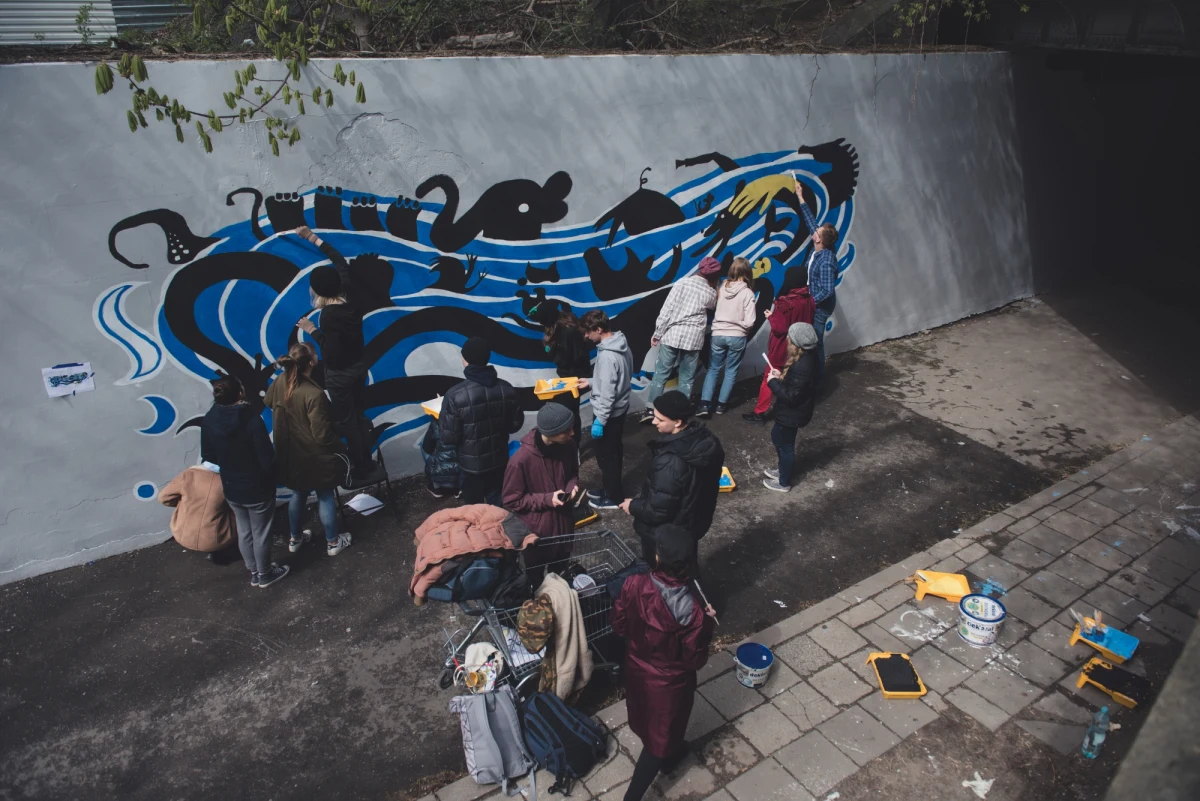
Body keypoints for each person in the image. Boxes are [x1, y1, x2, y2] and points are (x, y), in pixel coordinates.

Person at [612, 524, 716, 801]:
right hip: (670, 684)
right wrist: (706, 625)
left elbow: (619, 626)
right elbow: (695, 659)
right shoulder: (693, 610)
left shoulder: (633, 584)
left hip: (636, 669)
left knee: (650, 723)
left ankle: (672, 754)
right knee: (659, 739)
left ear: (658, 558)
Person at [292, 225, 386, 485]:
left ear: (319, 291)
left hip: (341, 376)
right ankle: (365, 461)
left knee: (348, 422)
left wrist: (312, 331)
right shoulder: (349, 297)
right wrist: (312, 238)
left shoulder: (329, 316)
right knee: (358, 415)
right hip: (357, 368)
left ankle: (362, 467)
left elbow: (331, 351)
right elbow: (340, 262)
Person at [265, 342, 353, 557]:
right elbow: (322, 434)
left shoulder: (280, 382)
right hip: (315, 456)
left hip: (289, 453)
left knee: (298, 493)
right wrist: (342, 448)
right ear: (312, 361)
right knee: (325, 495)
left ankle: (295, 538)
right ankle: (333, 542)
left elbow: (268, 402)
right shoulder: (314, 394)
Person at [200, 375, 287, 587]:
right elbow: (266, 458)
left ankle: (255, 572)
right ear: (240, 393)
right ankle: (265, 574)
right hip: (256, 487)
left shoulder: (210, 419)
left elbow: (209, 455)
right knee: (261, 532)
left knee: (245, 530)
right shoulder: (250, 419)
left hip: (231, 486)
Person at [620, 391, 725, 561]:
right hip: (692, 525)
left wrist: (632, 505)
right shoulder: (708, 441)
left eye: (660, 419)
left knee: (660, 575)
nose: (654, 422)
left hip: (666, 534)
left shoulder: (670, 461)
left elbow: (657, 511)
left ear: (677, 422)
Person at [501, 402, 580, 589]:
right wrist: (547, 499)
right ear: (551, 432)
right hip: (538, 533)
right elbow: (511, 500)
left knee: (560, 576)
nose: (572, 433)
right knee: (535, 581)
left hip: (564, 526)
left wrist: (572, 487)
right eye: (566, 431)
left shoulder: (569, 445)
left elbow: (573, 474)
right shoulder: (520, 461)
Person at [440, 337, 525, 505]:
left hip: (471, 467)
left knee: (474, 513)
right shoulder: (506, 388)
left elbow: (449, 437)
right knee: (497, 510)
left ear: (465, 361)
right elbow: (515, 425)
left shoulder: (454, 395)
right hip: (499, 461)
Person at [640, 257, 721, 423]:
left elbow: (667, 310)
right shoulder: (710, 291)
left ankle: (650, 409)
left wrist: (657, 333)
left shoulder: (682, 283)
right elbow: (713, 307)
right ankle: (680, 412)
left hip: (673, 335)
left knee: (661, 373)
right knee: (686, 378)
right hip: (693, 338)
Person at [743, 264, 814, 424]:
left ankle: (759, 413)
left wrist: (770, 316)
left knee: (769, 379)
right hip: (800, 346)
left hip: (783, 348)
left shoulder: (785, 303)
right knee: (792, 377)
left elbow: (780, 328)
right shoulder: (808, 299)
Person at [579, 310, 632, 510]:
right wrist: (592, 382)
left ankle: (615, 497)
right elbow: (614, 379)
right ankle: (610, 488)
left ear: (598, 329)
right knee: (612, 453)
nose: (586, 336)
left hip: (608, 415)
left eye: (587, 332)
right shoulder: (619, 344)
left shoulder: (608, 356)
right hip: (618, 410)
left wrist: (599, 420)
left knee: (607, 457)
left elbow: (607, 394)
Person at [697, 257, 757, 418]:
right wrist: (740, 326)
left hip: (718, 334)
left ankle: (704, 404)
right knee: (731, 371)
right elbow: (750, 321)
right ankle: (721, 405)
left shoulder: (722, 287)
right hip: (737, 336)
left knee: (713, 369)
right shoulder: (747, 293)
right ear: (747, 272)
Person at [794, 175, 840, 386]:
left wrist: (811, 303)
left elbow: (828, 290)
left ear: (819, 239)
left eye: (818, 232)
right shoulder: (820, 247)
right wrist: (800, 195)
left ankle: (817, 381)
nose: (815, 230)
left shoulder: (827, 261)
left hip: (820, 307)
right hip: (812, 302)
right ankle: (810, 375)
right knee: (809, 342)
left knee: (816, 343)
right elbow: (810, 220)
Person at [763, 323, 819, 492]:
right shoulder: (806, 358)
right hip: (793, 412)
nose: (787, 338)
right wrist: (781, 378)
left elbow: (791, 396)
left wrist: (772, 382)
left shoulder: (802, 366)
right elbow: (796, 387)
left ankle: (783, 482)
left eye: (790, 336)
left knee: (785, 444)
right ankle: (782, 470)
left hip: (792, 413)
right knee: (778, 437)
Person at [538, 307, 594, 447]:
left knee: (571, 413)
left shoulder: (568, 332)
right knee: (568, 411)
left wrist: (553, 350)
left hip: (573, 378)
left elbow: (574, 357)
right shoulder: (562, 327)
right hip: (566, 377)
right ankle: (570, 445)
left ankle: (574, 447)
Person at [421, 415, 460, 499]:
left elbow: (427, 448)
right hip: (462, 469)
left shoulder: (436, 422)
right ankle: (458, 488)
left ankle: (436, 486)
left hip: (441, 471)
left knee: (423, 446)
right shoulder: (465, 418)